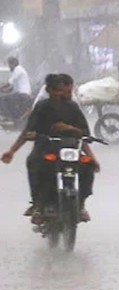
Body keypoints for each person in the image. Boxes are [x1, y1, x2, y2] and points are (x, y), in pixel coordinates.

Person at [1, 73, 100, 223]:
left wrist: (91, 156)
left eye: (68, 91)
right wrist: (12, 151)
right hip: (46, 147)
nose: (66, 94)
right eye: (61, 91)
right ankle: (38, 205)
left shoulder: (73, 107)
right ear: (50, 91)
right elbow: (27, 131)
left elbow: (84, 134)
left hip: (70, 148)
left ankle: (80, 205)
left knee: (87, 166)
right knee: (33, 162)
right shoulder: (41, 107)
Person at [0, 57, 32, 122]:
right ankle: (13, 117)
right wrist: (3, 91)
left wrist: (1, 87)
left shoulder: (18, 69)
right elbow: (12, 88)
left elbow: (9, 83)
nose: (9, 67)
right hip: (21, 93)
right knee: (6, 98)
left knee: (2, 99)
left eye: (9, 64)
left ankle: (9, 117)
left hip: (23, 94)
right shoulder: (18, 71)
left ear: (13, 64)